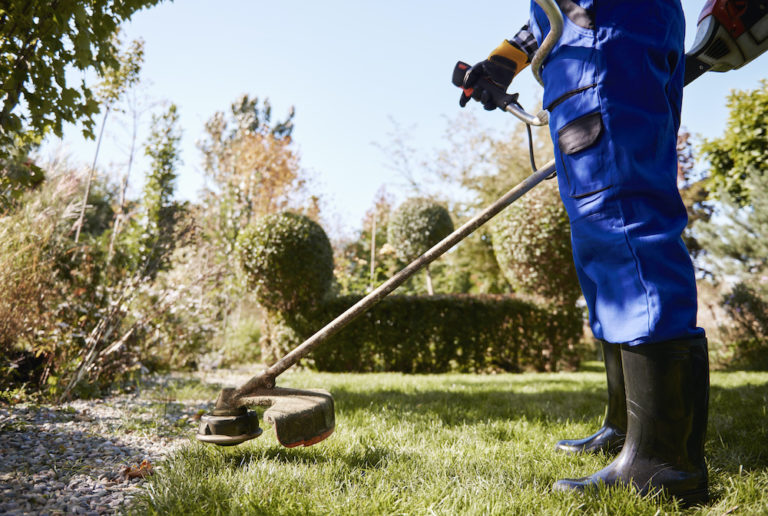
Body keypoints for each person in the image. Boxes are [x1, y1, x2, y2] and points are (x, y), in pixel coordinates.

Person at [460, 0, 710, 505]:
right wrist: (505, 58)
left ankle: (664, 459)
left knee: (621, 218)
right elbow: (549, 14)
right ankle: (627, 429)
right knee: (599, 238)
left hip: (605, 34)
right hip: (589, 40)